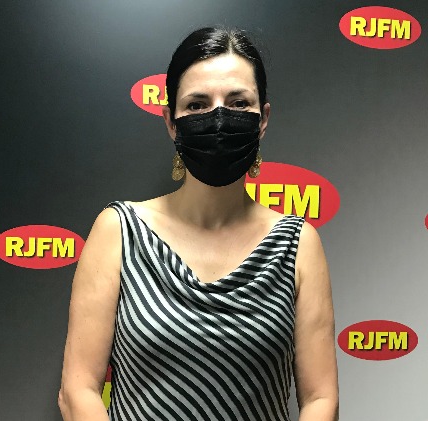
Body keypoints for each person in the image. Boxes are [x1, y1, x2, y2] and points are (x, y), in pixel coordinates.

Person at [58, 27, 339, 421]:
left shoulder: (298, 244)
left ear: (263, 119)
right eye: (197, 104)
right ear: (171, 122)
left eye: (238, 103)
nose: (219, 118)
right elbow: (78, 390)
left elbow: (321, 399)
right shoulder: (119, 232)